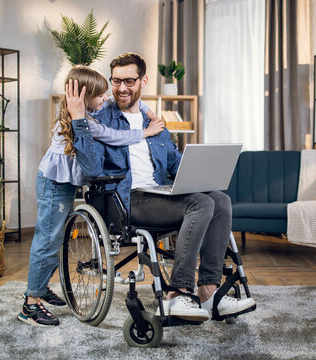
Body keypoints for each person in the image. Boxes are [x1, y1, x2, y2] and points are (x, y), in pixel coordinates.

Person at [72, 53, 255, 322]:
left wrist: (200, 171)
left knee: (220, 200)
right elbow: (89, 168)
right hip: (126, 201)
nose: (122, 88)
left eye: (129, 81)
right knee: (202, 203)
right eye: (116, 81)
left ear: (143, 80)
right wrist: (78, 119)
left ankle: (209, 289)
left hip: (158, 195)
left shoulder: (153, 122)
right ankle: (177, 292)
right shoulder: (101, 117)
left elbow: (173, 162)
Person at [18, 65, 164, 327]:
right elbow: (114, 136)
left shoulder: (90, 112)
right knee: (48, 239)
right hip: (54, 184)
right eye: (99, 96)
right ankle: (30, 303)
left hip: (64, 184)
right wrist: (145, 133)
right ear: (84, 97)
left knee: (55, 238)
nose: (104, 99)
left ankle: (39, 287)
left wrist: (151, 115)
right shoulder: (82, 123)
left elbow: (136, 103)